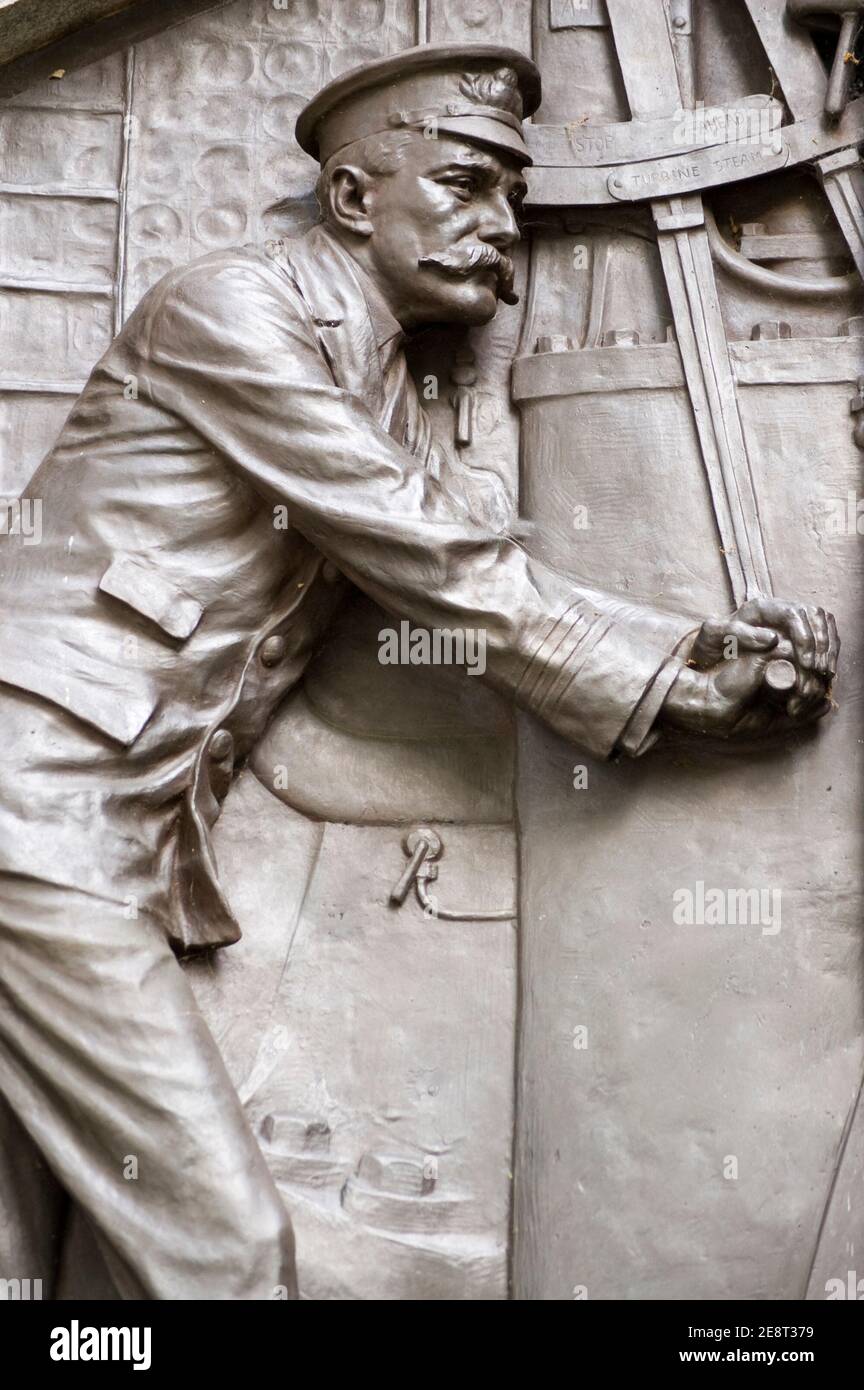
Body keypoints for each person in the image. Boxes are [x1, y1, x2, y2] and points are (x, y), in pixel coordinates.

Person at [0, 42, 838, 1299]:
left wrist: (698, 647)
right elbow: (429, 552)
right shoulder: (232, 310)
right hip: (37, 828)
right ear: (351, 200)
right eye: (464, 185)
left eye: (511, 196)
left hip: (93, 838)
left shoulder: (380, 378)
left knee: (61, 1276)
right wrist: (664, 678)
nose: (502, 226)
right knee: (223, 1254)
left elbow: (469, 561)